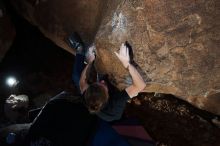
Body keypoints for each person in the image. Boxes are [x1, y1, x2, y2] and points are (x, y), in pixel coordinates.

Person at [69, 33, 146, 122]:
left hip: (96, 99)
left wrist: (90, 61)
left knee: (76, 76)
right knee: (131, 86)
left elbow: (82, 81)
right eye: (103, 85)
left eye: (98, 83)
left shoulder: (87, 95)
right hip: (114, 116)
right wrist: (127, 64)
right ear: (107, 96)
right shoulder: (116, 102)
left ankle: (80, 49)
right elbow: (140, 85)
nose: (102, 82)